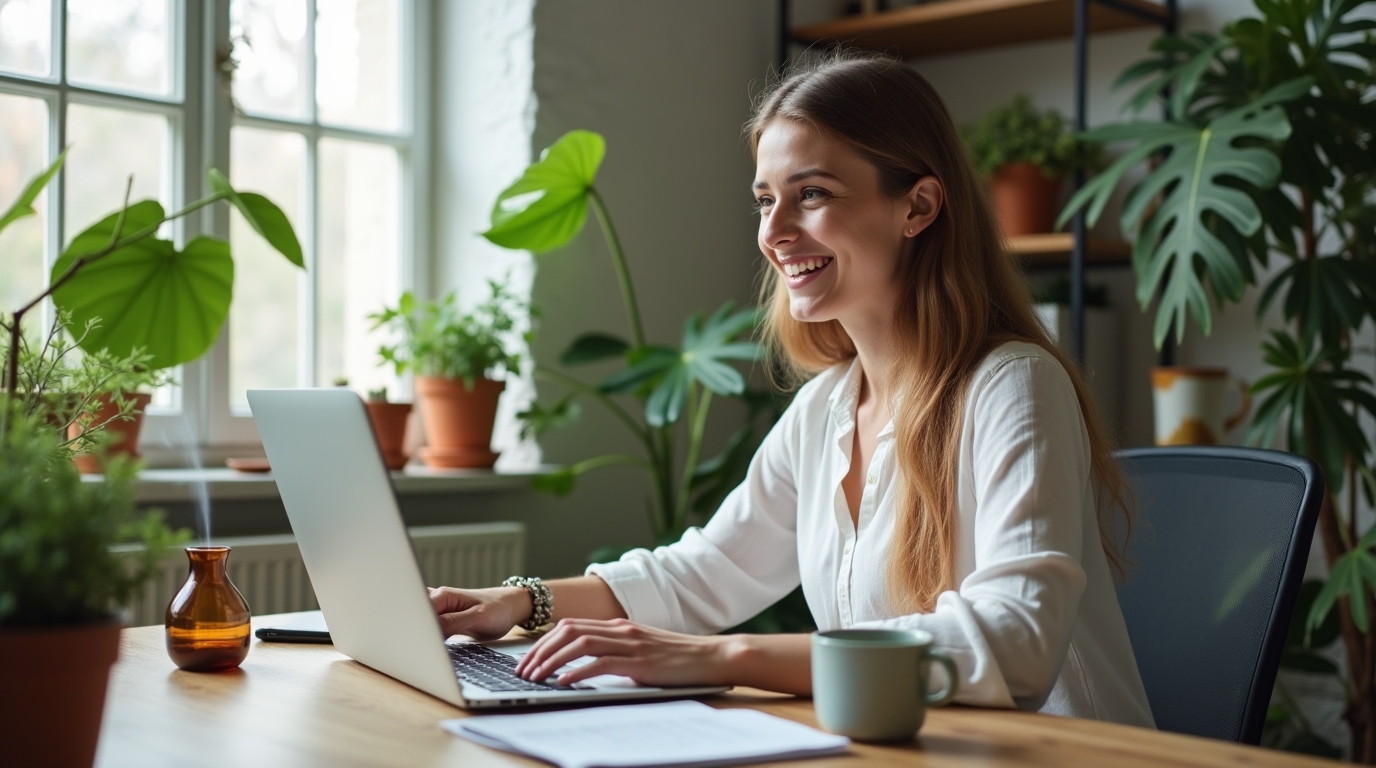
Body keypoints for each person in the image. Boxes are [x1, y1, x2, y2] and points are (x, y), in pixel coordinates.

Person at [429, 51, 1154, 728]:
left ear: (919, 207)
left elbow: (1016, 642)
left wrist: (724, 657)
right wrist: (521, 603)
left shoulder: (1012, 386)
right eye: (765, 200)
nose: (773, 232)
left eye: (812, 195)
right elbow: (707, 572)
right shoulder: (828, 406)